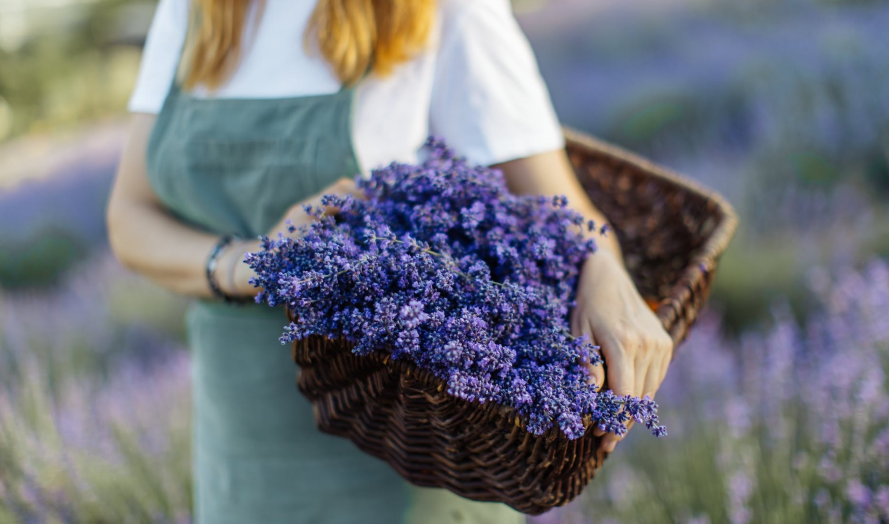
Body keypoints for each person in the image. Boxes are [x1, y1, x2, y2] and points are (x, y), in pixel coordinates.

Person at [106, 0, 674, 522]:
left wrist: (606, 273)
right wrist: (252, 263)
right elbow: (129, 216)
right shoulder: (197, 11)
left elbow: (561, 211)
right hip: (240, 445)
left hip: (404, 450)